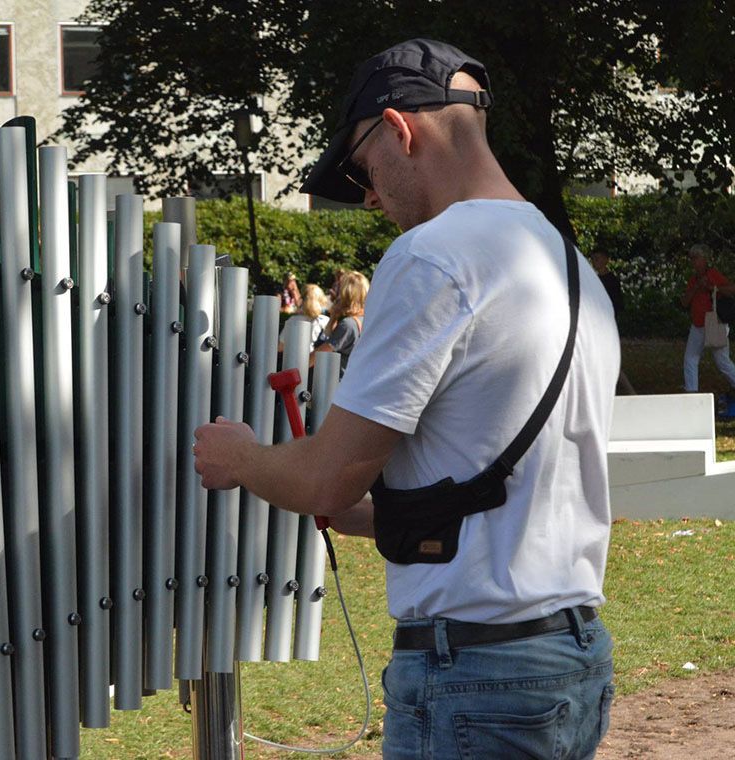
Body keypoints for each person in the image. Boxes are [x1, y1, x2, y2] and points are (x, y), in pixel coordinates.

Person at [194, 39, 618, 760]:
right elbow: (494, 494)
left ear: (398, 128)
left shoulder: (433, 257)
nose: (368, 193)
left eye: (363, 168)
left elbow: (328, 474)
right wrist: (353, 505)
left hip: (476, 679)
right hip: (567, 662)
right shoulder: (565, 262)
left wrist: (240, 458)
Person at [679, 243, 735, 394]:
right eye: (692, 258)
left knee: (721, 359)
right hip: (698, 324)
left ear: (704, 259)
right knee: (690, 358)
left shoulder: (713, 274)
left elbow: (734, 289)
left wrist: (713, 288)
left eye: (696, 258)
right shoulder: (693, 280)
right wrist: (696, 288)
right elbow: (684, 302)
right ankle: (691, 391)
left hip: (715, 323)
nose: (693, 262)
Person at [591, 252, 636, 395]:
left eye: (597, 258)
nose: (594, 262)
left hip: (606, 324)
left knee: (610, 360)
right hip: (597, 324)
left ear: (605, 260)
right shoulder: (594, 280)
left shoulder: (611, 280)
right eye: (593, 259)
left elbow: (616, 305)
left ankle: (628, 391)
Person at [311, 270, 368, 373]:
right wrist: (333, 318)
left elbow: (316, 357)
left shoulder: (348, 325)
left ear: (346, 294)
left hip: (335, 386)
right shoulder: (366, 320)